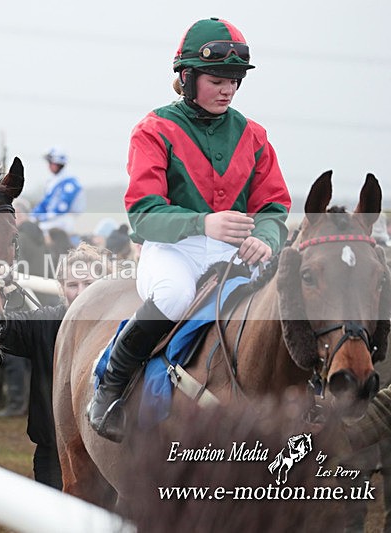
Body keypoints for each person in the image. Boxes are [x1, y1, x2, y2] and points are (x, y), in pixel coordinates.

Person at [87, 17, 291, 442]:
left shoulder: (255, 136)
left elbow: (273, 207)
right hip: (172, 250)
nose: (227, 89)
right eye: (217, 80)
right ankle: (111, 385)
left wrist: (266, 238)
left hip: (235, 252)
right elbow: (143, 214)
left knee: (281, 299)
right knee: (174, 295)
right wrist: (203, 223)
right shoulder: (154, 129)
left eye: (234, 81)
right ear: (187, 77)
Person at [0, 243, 106, 488]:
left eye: (89, 284)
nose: (81, 293)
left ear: (103, 285)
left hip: (105, 455)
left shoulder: (121, 328)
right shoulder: (46, 323)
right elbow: (1, 327)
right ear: (61, 287)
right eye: (73, 285)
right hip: (54, 453)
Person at [30, 147, 85, 235]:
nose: (49, 166)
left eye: (50, 162)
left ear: (58, 164)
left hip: (64, 221)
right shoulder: (53, 181)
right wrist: (32, 216)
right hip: (52, 220)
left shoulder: (70, 183)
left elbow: (61, 208)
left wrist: (42, 217)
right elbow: (44, 203)